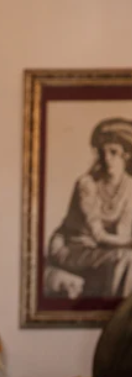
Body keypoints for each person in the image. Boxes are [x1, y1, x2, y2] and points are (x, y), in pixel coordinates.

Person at [46, 118, 132, 300]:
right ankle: (112, 310)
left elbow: (123, 231)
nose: (106, 158)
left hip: (100, 250)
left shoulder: (130, 188)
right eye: (102, 152)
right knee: (125, 257)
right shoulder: (87, 184)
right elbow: (98, 235)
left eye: (113, 152)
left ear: (126, 155)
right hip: (71, 248)